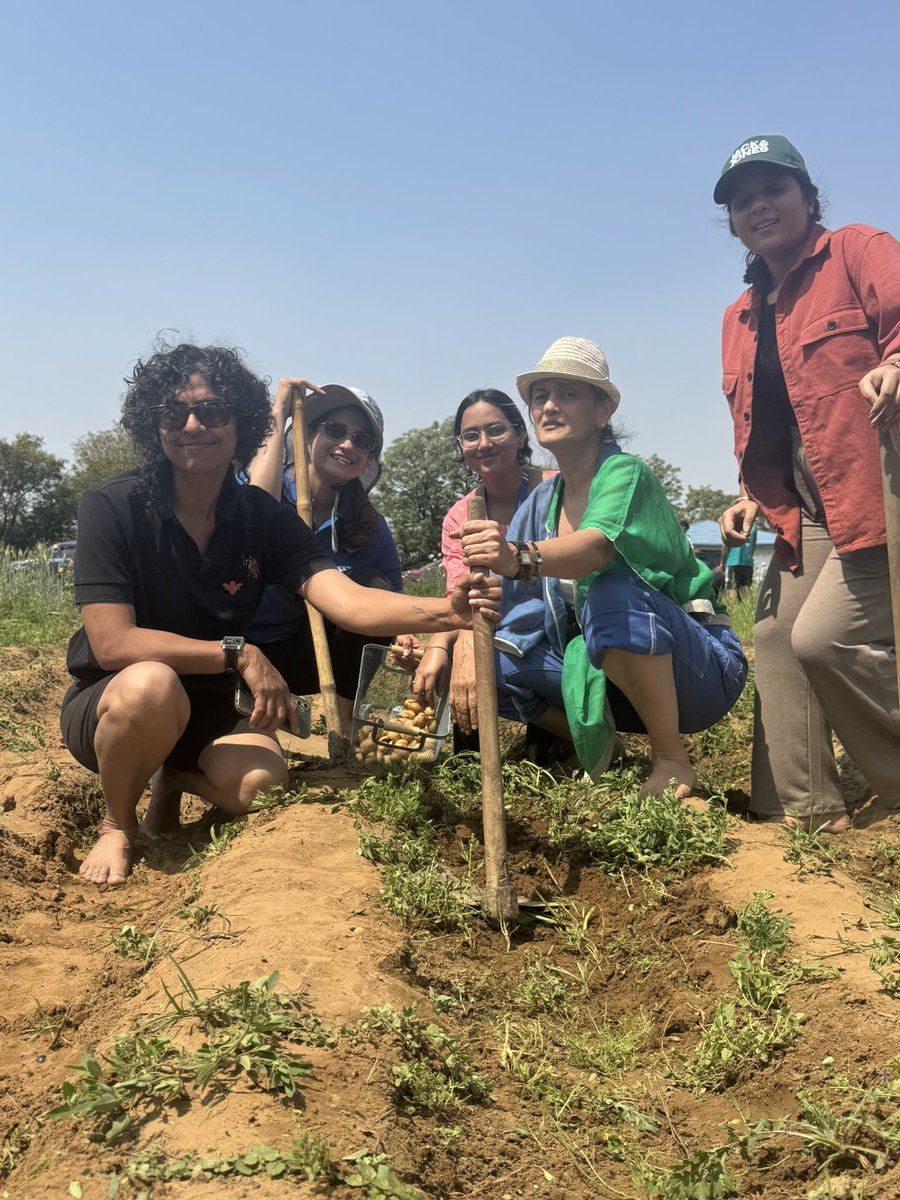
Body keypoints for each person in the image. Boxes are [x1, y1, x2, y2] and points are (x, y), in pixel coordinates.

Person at [60, 343, 498, 887]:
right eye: (175, 413)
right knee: (152, 684)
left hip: (209, 705)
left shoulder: (261, 518)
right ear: (155, 426)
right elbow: (113, 644)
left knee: (261, 785)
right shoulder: (112, 505)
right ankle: (117, 823)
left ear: (240, 423)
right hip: (116, 698)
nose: (194, 424)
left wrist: (446, 611)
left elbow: (346, 598)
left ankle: (172, 774)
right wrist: (238, 653)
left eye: (214, 411)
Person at [459, 337, 748, 799]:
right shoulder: (539, 504)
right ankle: (597, 740)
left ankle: (671, 758)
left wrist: (515, 556)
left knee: (610, 591)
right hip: (606, 671)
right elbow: (509, 606)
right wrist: (452, 638)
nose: (549, 406)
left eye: (568, 394)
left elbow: (594, 549)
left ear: (602, 411)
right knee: (491, 659)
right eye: (540, 397)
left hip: (697, 668)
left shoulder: (624, 474)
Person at [714, 135, 900, 832]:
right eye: (741, 200)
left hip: (883, 490)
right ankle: (807, 816)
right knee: (773, 635)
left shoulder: (857, 250)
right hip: (809, 508)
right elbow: (765, 424)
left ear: (807, 198)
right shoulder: (737, 319)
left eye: (773, 191)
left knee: (826, 638)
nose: (758, 206)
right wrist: (746, 495)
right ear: (731, 222)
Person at [244, 377, 401, 736]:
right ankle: (261, 705)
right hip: (247, 652)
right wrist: (280, 410)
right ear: (307, 435)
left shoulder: (369, 525)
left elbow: (392, 598)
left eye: (363, 441)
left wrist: (404, 633)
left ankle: (344, 726)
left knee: (372, 587)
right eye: (336, 430)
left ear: (368, 460)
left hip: (315, 658)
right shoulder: (266, 487)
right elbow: (255, 510)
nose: (348, 444)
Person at [408, 389, 551, 749]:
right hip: (496, 633)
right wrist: (443, 648)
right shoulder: (460, 516)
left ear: (520, 434)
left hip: (559, 633)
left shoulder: (552, 489)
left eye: (496, 430)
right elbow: (462, 598)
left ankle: (567, 735)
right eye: (471, 435)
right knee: (450, 656)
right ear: (461, 446)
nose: (483, 443)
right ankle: (469, 757)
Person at [723, 520, 757, 597]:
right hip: (747, 562)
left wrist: (722, 563)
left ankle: (733, 607)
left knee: (731, 588)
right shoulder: (753, 528)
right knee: (746, 589)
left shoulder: (732, 528)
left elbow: (725, 546)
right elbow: (753, 545)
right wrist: (749, 557)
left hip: (733, 562)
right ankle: (745, 607)